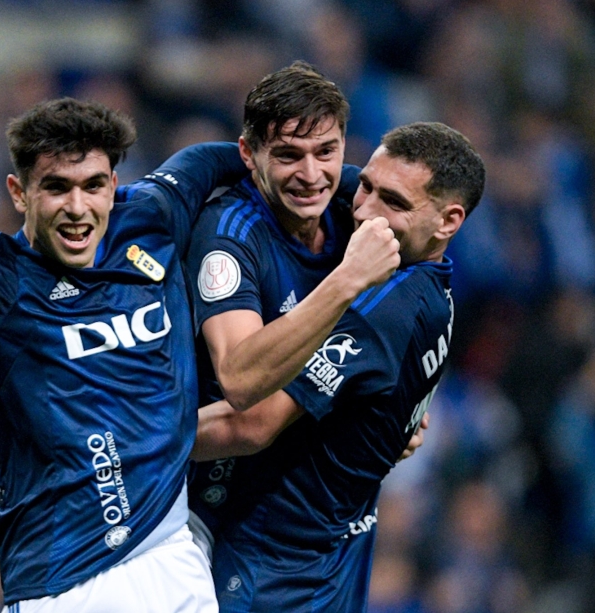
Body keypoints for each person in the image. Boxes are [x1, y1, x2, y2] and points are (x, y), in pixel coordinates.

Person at [0, 24, 400, 612]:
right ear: (19, 193)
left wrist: (359, 189)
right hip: (62, 579)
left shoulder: (153, 215)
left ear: (115, 184)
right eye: (57, 188)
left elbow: (264, 162)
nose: (77, 207)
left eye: (93, 185)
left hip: (172, 554)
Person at [186, 62, 485, 612]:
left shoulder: (380, 295)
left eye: (392, 203)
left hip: (280, 560)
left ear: (448, 222)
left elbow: (250, 418)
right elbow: (244, 382)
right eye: (365, 185)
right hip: (319, 546)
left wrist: (123, 443)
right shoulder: (416, 272)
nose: (365, 210)